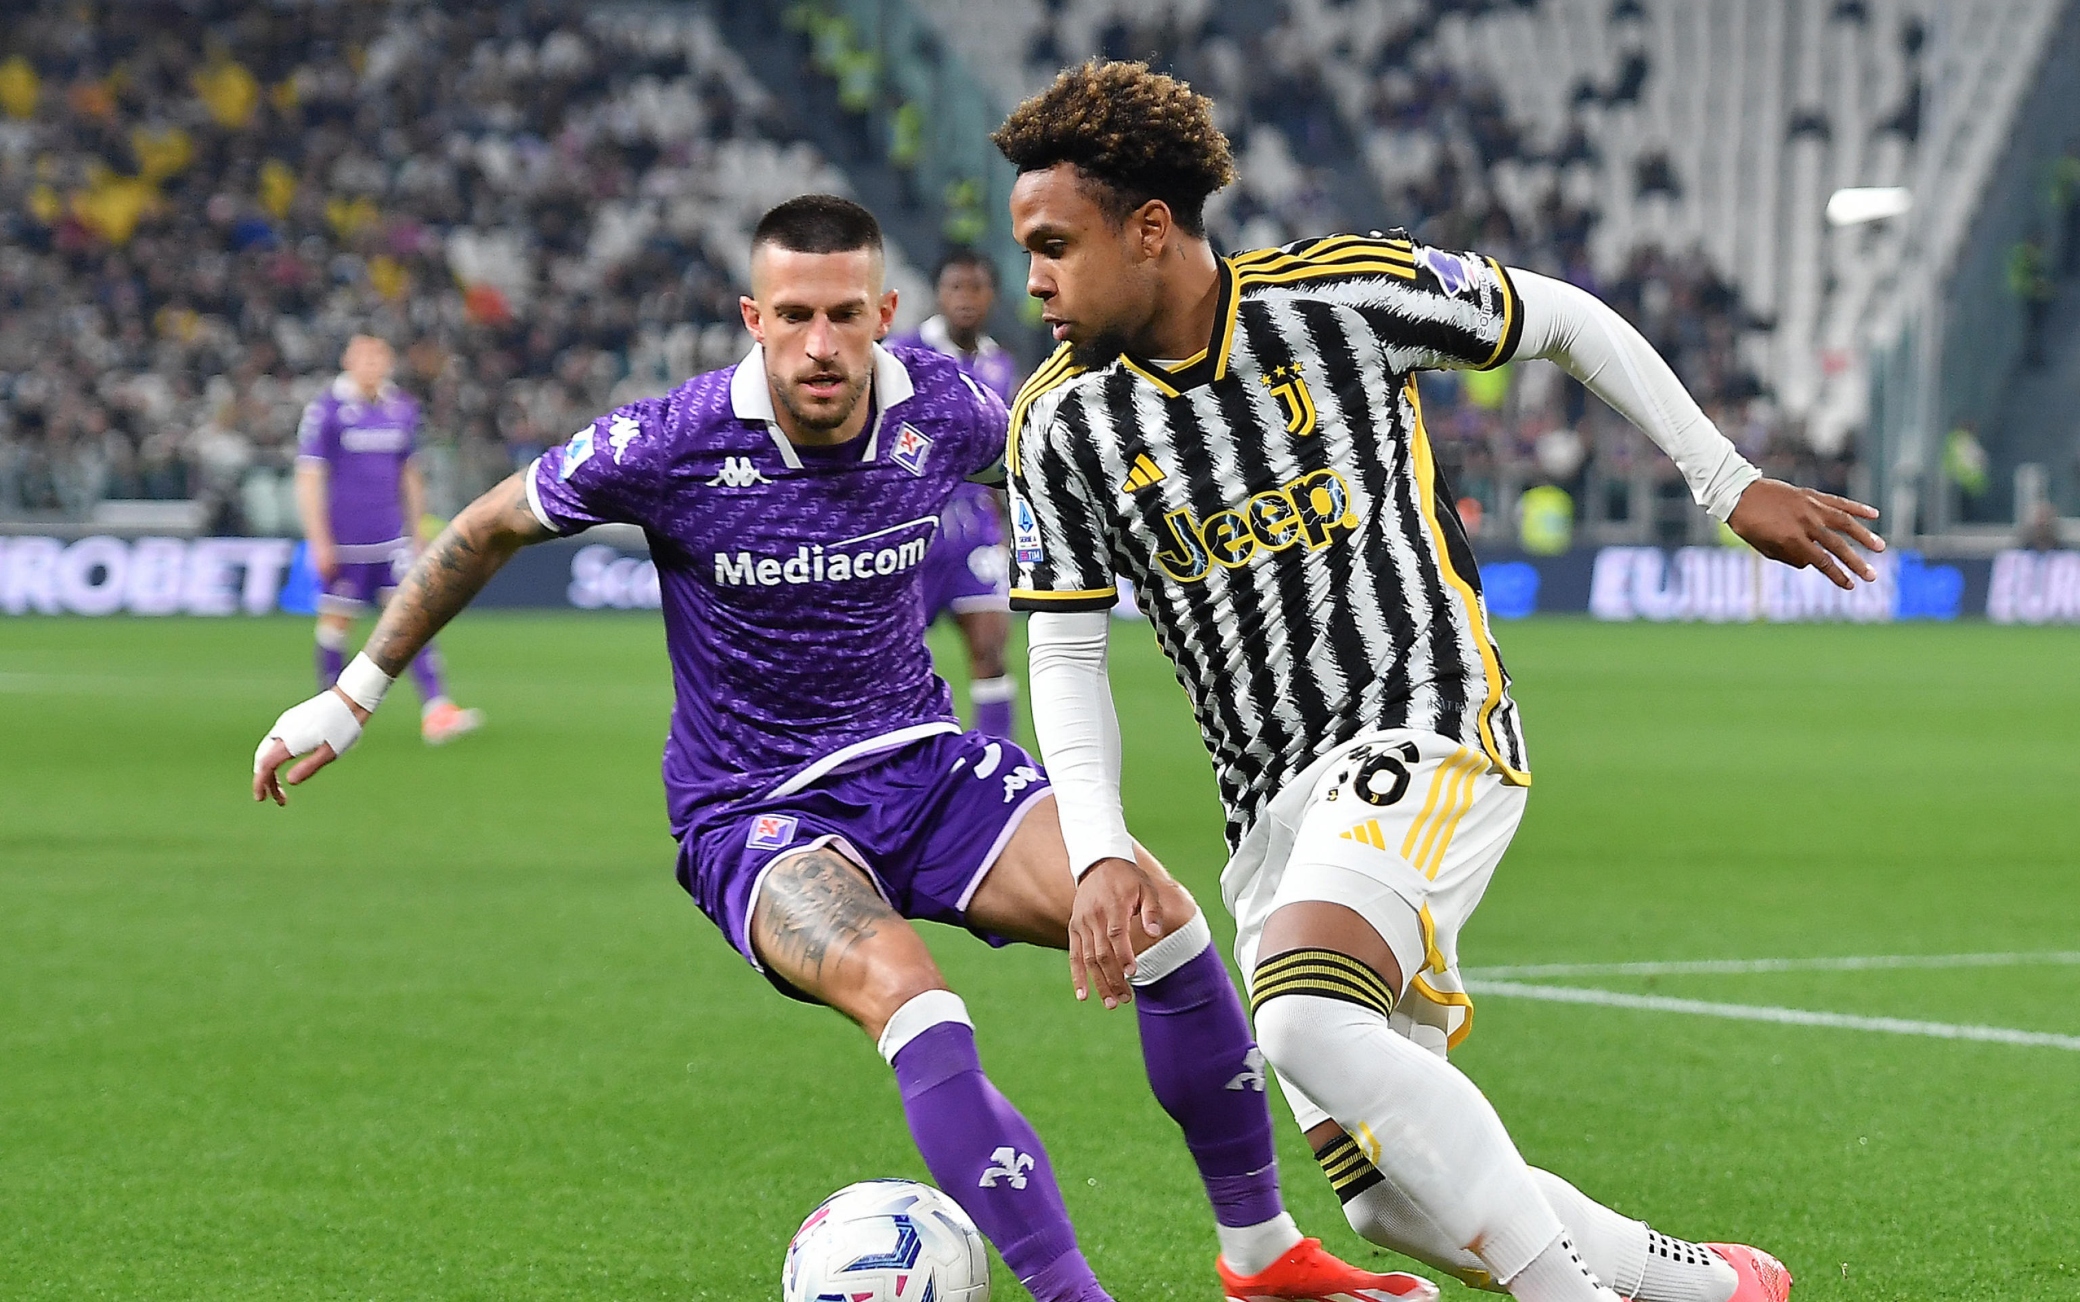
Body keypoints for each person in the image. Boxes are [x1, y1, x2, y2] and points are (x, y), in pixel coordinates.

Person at [251, 196, 1425, 1302]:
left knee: (1159, 919)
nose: (819, 345)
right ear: (753, 319)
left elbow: (1088, 463)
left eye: (844, 315)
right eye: (794, 315)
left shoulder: (943, 410)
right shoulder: (672, 440)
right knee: (912, 996)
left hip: (926, 766)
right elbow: (485, 525)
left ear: (884, 315)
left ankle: (1261, 1252)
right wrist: (350, 697)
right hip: (756, 812)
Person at [994, 62, 1887, 1302]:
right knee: (1392, 1200)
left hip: (1423, 719)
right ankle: (1710, 1286)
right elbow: (1063, 647)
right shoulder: (1055, 424)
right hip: (1266, 803)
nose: (1033, 280)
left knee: (1302, 1019)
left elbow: (1560, 317)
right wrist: (1097, 850)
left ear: (1149, 229)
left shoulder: (1337, 298)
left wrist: (1725, 480)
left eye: (1053, 246)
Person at [294, 334, 483, 745]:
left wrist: (419, 532)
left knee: (415, 617)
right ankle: (330, 716)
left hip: (391, 538)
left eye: (378, 357)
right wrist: (319, 540)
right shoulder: (327, 410)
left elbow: (409, 474)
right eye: (363, 357)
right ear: (348, 360)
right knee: (336, 625)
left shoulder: (402, 408)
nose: (371, 364)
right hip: (345, 541)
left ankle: (437, 710)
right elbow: (309, 476)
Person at [889, 247, 1023, 739]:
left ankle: (997, 760)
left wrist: (1007, 530)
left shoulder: (999, 365)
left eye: (976, 288)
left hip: (974, 531)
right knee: (892, 662)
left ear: (992, 296)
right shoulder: (903, 355)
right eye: (955, 287)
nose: (966, 298)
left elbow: (1003, 458)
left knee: (990, 650)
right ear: (938, 295)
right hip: (913, 529)